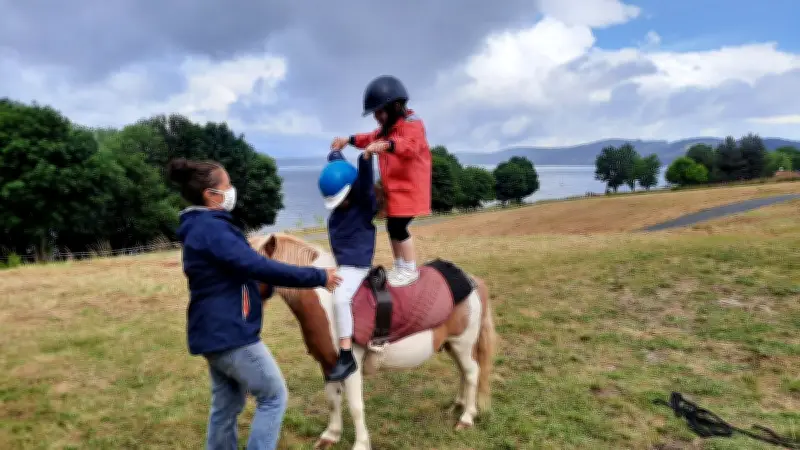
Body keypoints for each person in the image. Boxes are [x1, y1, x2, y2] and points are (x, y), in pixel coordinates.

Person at [167, 157, 342, 450]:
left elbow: (239, 272)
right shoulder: (213, 229)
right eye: (228, 185)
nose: (232, 190)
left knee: (226, 403)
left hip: (211, 332)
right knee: (274, 396)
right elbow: (258, 266)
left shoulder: (201, 227)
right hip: (231, 333)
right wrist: (318, 276)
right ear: (211, 195)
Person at [331, 75, 432, 286]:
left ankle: (410, 268)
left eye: (379, 111)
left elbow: (410, 146)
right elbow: (368, 138)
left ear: (395, 106)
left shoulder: (412, 125)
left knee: (398, 227)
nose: (376, 117)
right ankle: (400, 266)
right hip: (394, 190)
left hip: (409, 190)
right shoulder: (386, 130)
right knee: (392, 226)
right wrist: (347, 140)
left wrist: (387, 145)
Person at [318, 150, 378, 381]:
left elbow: (364, 183)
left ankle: (346, 354)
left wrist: (365, 159)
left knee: (341, 297)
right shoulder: (335, 214)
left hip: (357, 266)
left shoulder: (363, 205)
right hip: (343, 264)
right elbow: (340, 173)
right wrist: (335, 157)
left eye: (342, 199)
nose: (339, 204)